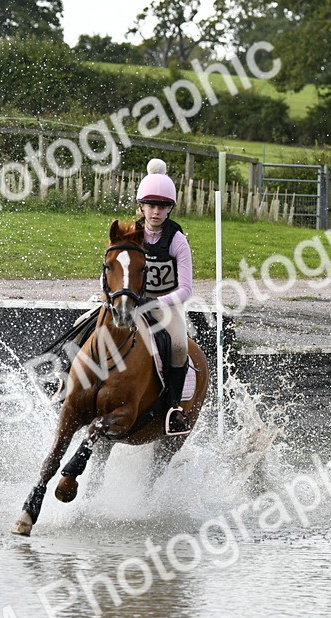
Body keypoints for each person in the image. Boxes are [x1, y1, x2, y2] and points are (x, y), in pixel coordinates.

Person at [134, 158, 194, 435]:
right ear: (141, 207)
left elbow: (185, 290)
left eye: (162, 207)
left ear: (169, 209)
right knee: (86, 325)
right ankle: (67, 383)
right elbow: (108, 267)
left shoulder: (177, 240)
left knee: (180, 345)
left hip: (164, 306)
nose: (156, 212)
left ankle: (173, 408)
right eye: (151, 206)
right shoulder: (131, 234)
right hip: (130, 301)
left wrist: (156, 302)